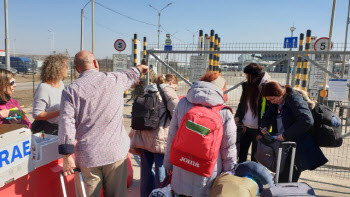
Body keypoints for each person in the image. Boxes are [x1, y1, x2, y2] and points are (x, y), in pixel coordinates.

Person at [58, 50, 148, 197]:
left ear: (76, 69)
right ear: (95, 63)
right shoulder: (114, 79)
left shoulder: (70, 91)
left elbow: (66, 122)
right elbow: (131, 74)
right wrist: (140, 68)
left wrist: (67, 155)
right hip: (116, 152)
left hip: (89, 156)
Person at [163, 72, 237, 197]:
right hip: (208, 171)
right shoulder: (224, 112)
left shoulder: (183, 104)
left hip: (182, 164)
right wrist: (229, 171)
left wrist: (169, 164)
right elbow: (228, 146)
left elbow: (172, 135)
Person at [260, 81, 327, 183]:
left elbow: (307, 120)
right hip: (284, 145)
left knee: (287, 178)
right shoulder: (276, 102)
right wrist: (264, 126)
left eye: (272, 99)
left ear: (279, 93)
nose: (271, 102)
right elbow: (267, 115)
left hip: (296, 145)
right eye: (269, 100)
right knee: (281, 176)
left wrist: (286, 135)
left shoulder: (294, 99)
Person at [130, 74, 179, 197]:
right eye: (175, 86)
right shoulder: (169, 92)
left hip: (143, 139)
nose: (176, 89)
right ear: (172, 82)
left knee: (145, 172)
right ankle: (159, 194)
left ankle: (146, 194)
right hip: (160, 139)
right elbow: (178, 115)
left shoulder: (148, 90)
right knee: (161, 172)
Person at [234, 63, 271, 163]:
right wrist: (237, 117)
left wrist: (265, 126)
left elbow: (269, 109)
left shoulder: (265, 87)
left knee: (256, 156)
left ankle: (253, 176)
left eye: (247, 75)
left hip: (259, 128)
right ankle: (240, 174)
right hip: (245, 127)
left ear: (253, 76)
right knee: (241, 154)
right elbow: (242, 104)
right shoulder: (247, 86)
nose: (246, 78)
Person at [32, 54, 68, 135]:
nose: (67, 68)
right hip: (49, 131)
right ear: (57, 68)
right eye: (65, 66)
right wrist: (60, 111)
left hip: (60, 128)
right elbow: (37, 114)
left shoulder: (61, 84)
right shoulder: (44, 88)